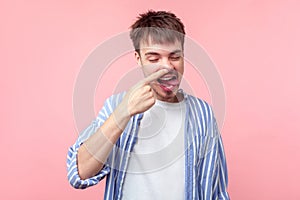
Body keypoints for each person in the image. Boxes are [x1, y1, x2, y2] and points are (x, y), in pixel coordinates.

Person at [67, 10, 230, 200]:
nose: (167, 67)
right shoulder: (116, 106)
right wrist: (123, 113)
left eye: (175, 57)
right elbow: (79, 173)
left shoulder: (203, 114)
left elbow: (217, 193)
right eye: (154, 58)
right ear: (139, 59)